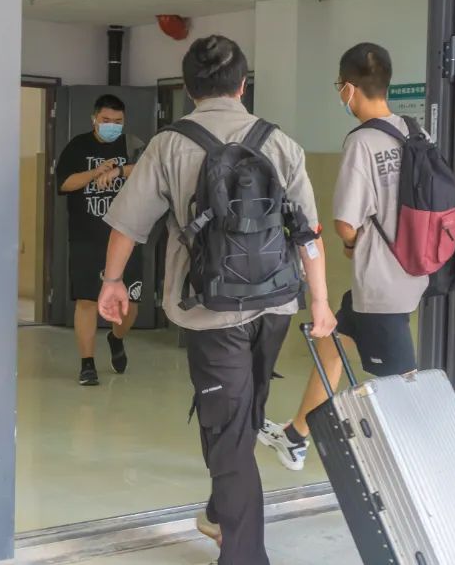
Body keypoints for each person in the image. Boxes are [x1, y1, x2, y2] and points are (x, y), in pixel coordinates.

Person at [97, 35, 336, 565]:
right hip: (276, 304)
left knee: (229, 430)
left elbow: (128, 226)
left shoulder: (169, 144)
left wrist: (112, 282)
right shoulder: (281, 144)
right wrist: (319, 301)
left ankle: (244, 554)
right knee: (240, 419)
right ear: (243, 85)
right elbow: (309, 235)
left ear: (189, 88)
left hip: (209, 309)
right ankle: (220, 511)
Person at [258, 42, 428, 471]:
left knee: (399, 380)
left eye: (340, 85)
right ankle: (297, 436)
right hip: (416, 265)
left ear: (349, 88)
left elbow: (345, 224)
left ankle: (416, 467)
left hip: (381, 280)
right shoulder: (416, 131)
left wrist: (352, 245)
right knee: (331, 342)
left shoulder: (363, 141)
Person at [56, 94, 146, 386]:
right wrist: (95, 172)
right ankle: (87, 364)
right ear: (94, 118)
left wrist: (118, 170)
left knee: (130, 305)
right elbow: (64, 183)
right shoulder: (78, 146)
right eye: (106, 120)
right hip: (86, 237)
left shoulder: (131, 145)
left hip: (126, 237)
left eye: (118, 121)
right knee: (86, 300)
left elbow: (149, 171)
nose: (112, 126)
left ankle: (116, 338)